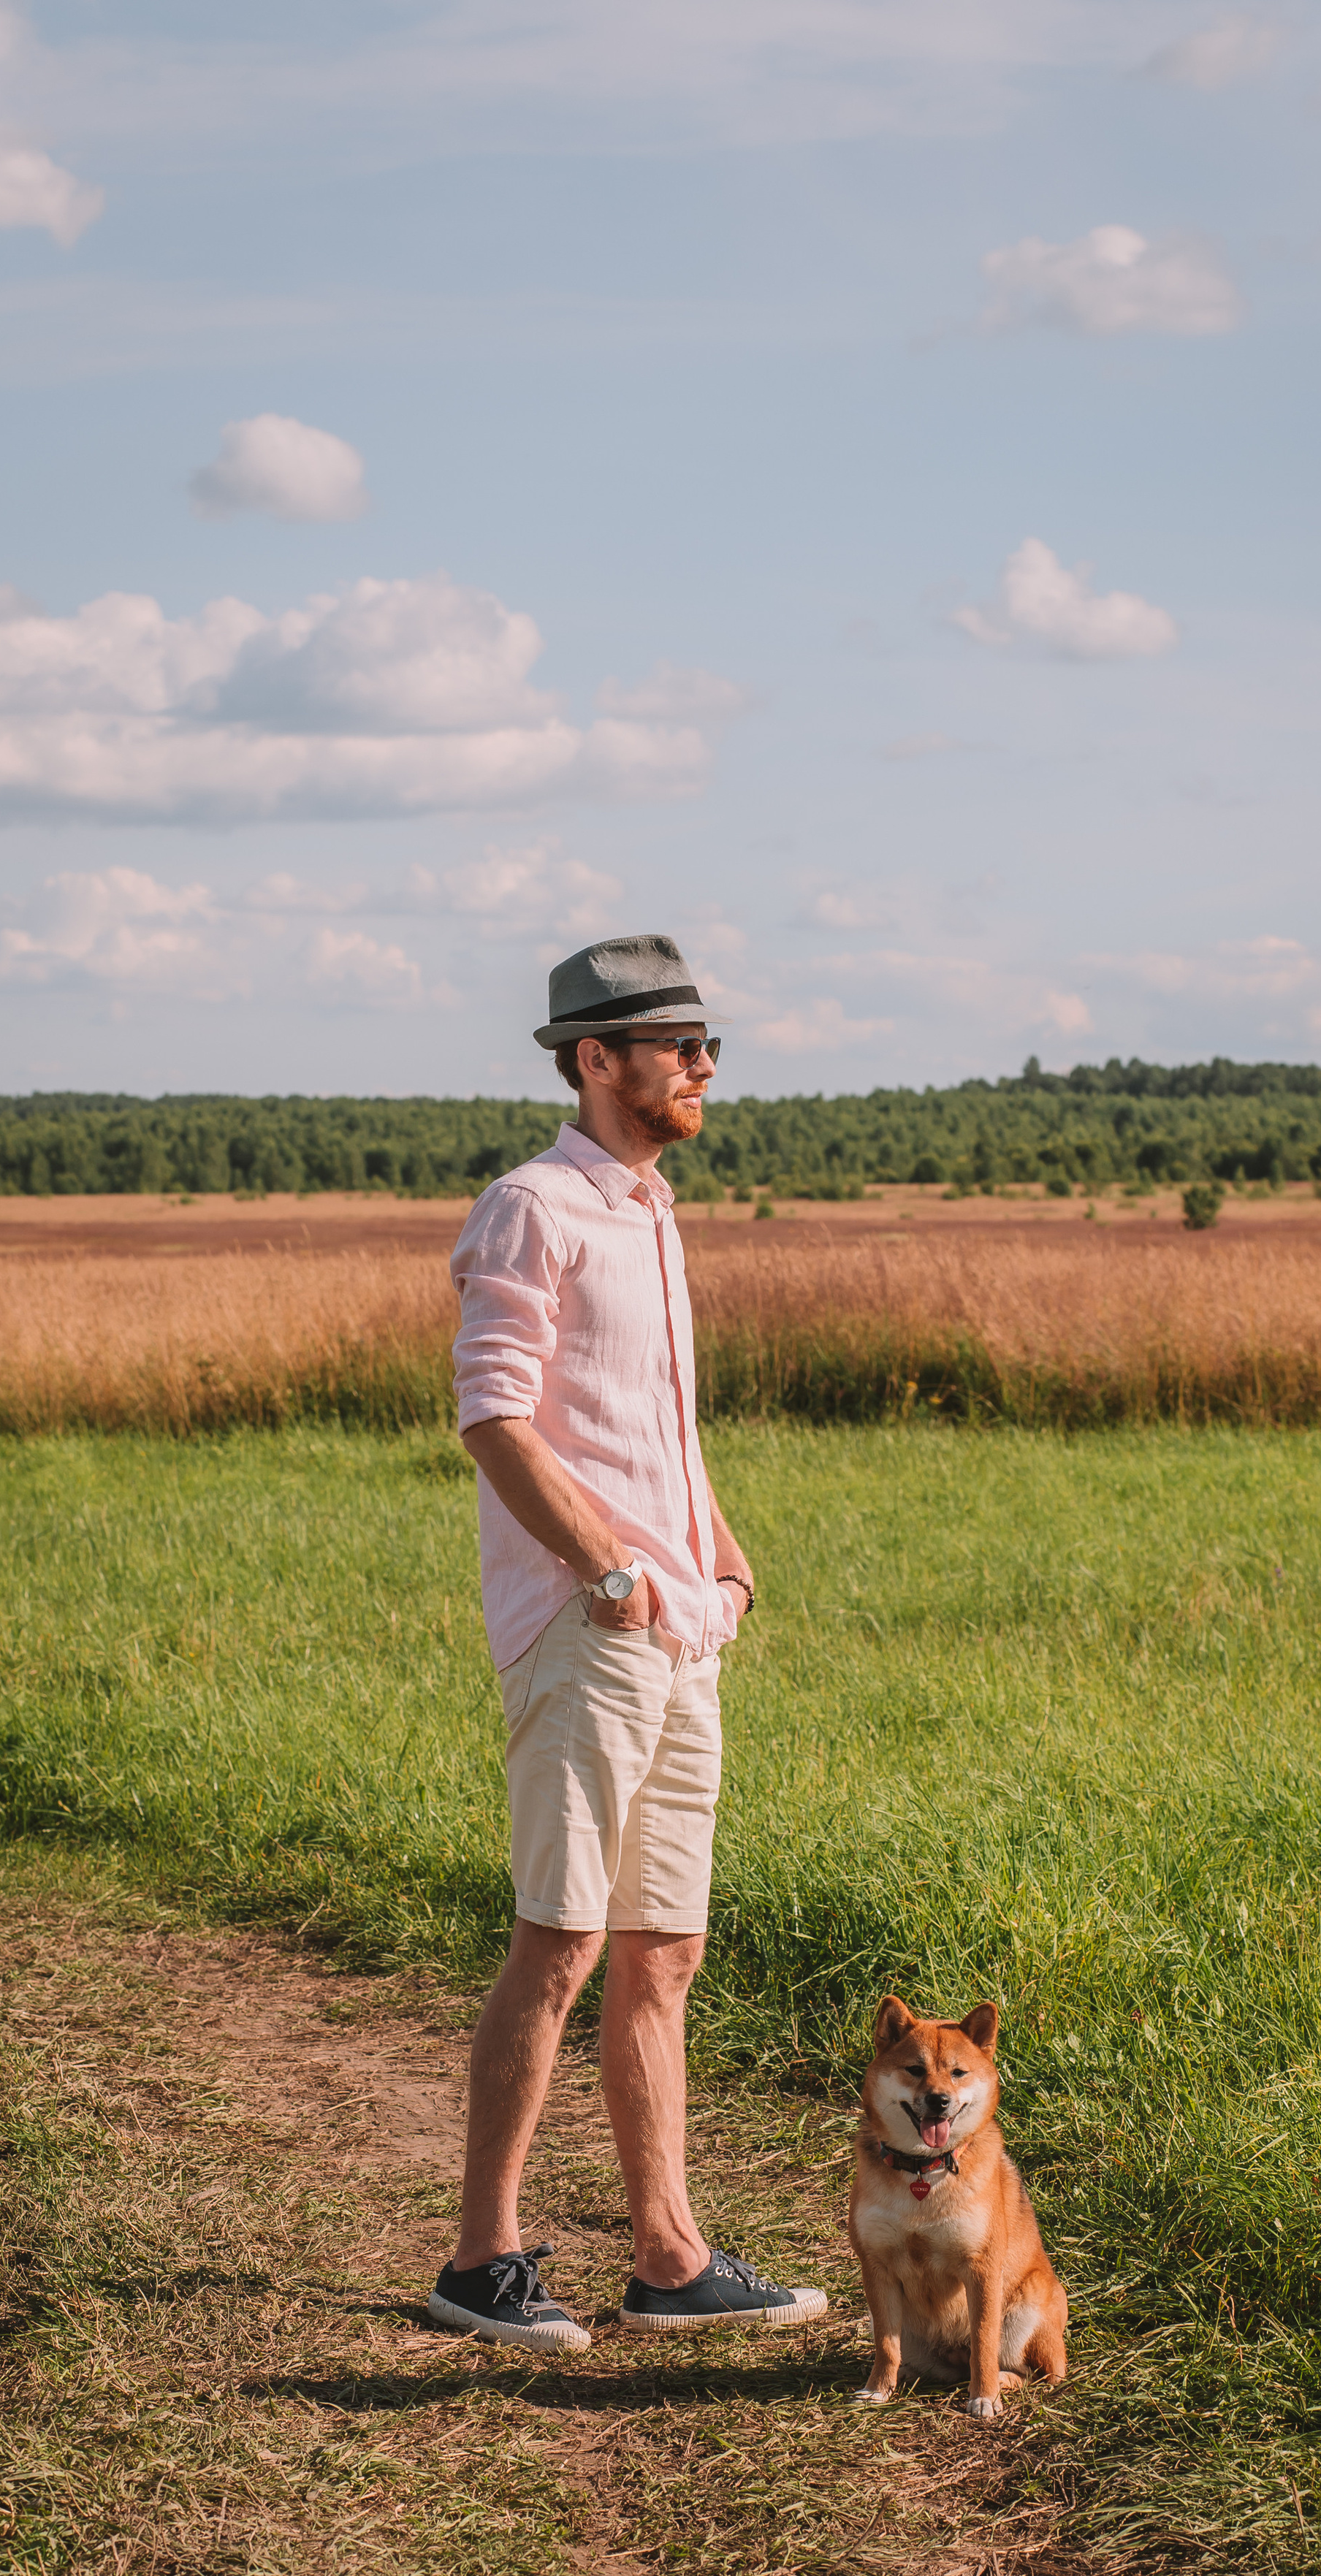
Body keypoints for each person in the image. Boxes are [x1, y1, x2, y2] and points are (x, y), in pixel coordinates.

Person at [427, 934, 826, 2352]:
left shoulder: (650, 1212)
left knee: (662, 1953)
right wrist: (608, 1574)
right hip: (586, 1631)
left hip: (680, 1629)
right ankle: (480, 2262)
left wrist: (712, 1548)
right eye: (677, 1045)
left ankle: (667, 2257)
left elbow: (656, 1424)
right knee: (561, 1940)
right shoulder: (531, 1208)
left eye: (706, 1043)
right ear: (594, 1059)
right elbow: (494, 1418)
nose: (704, 1066)